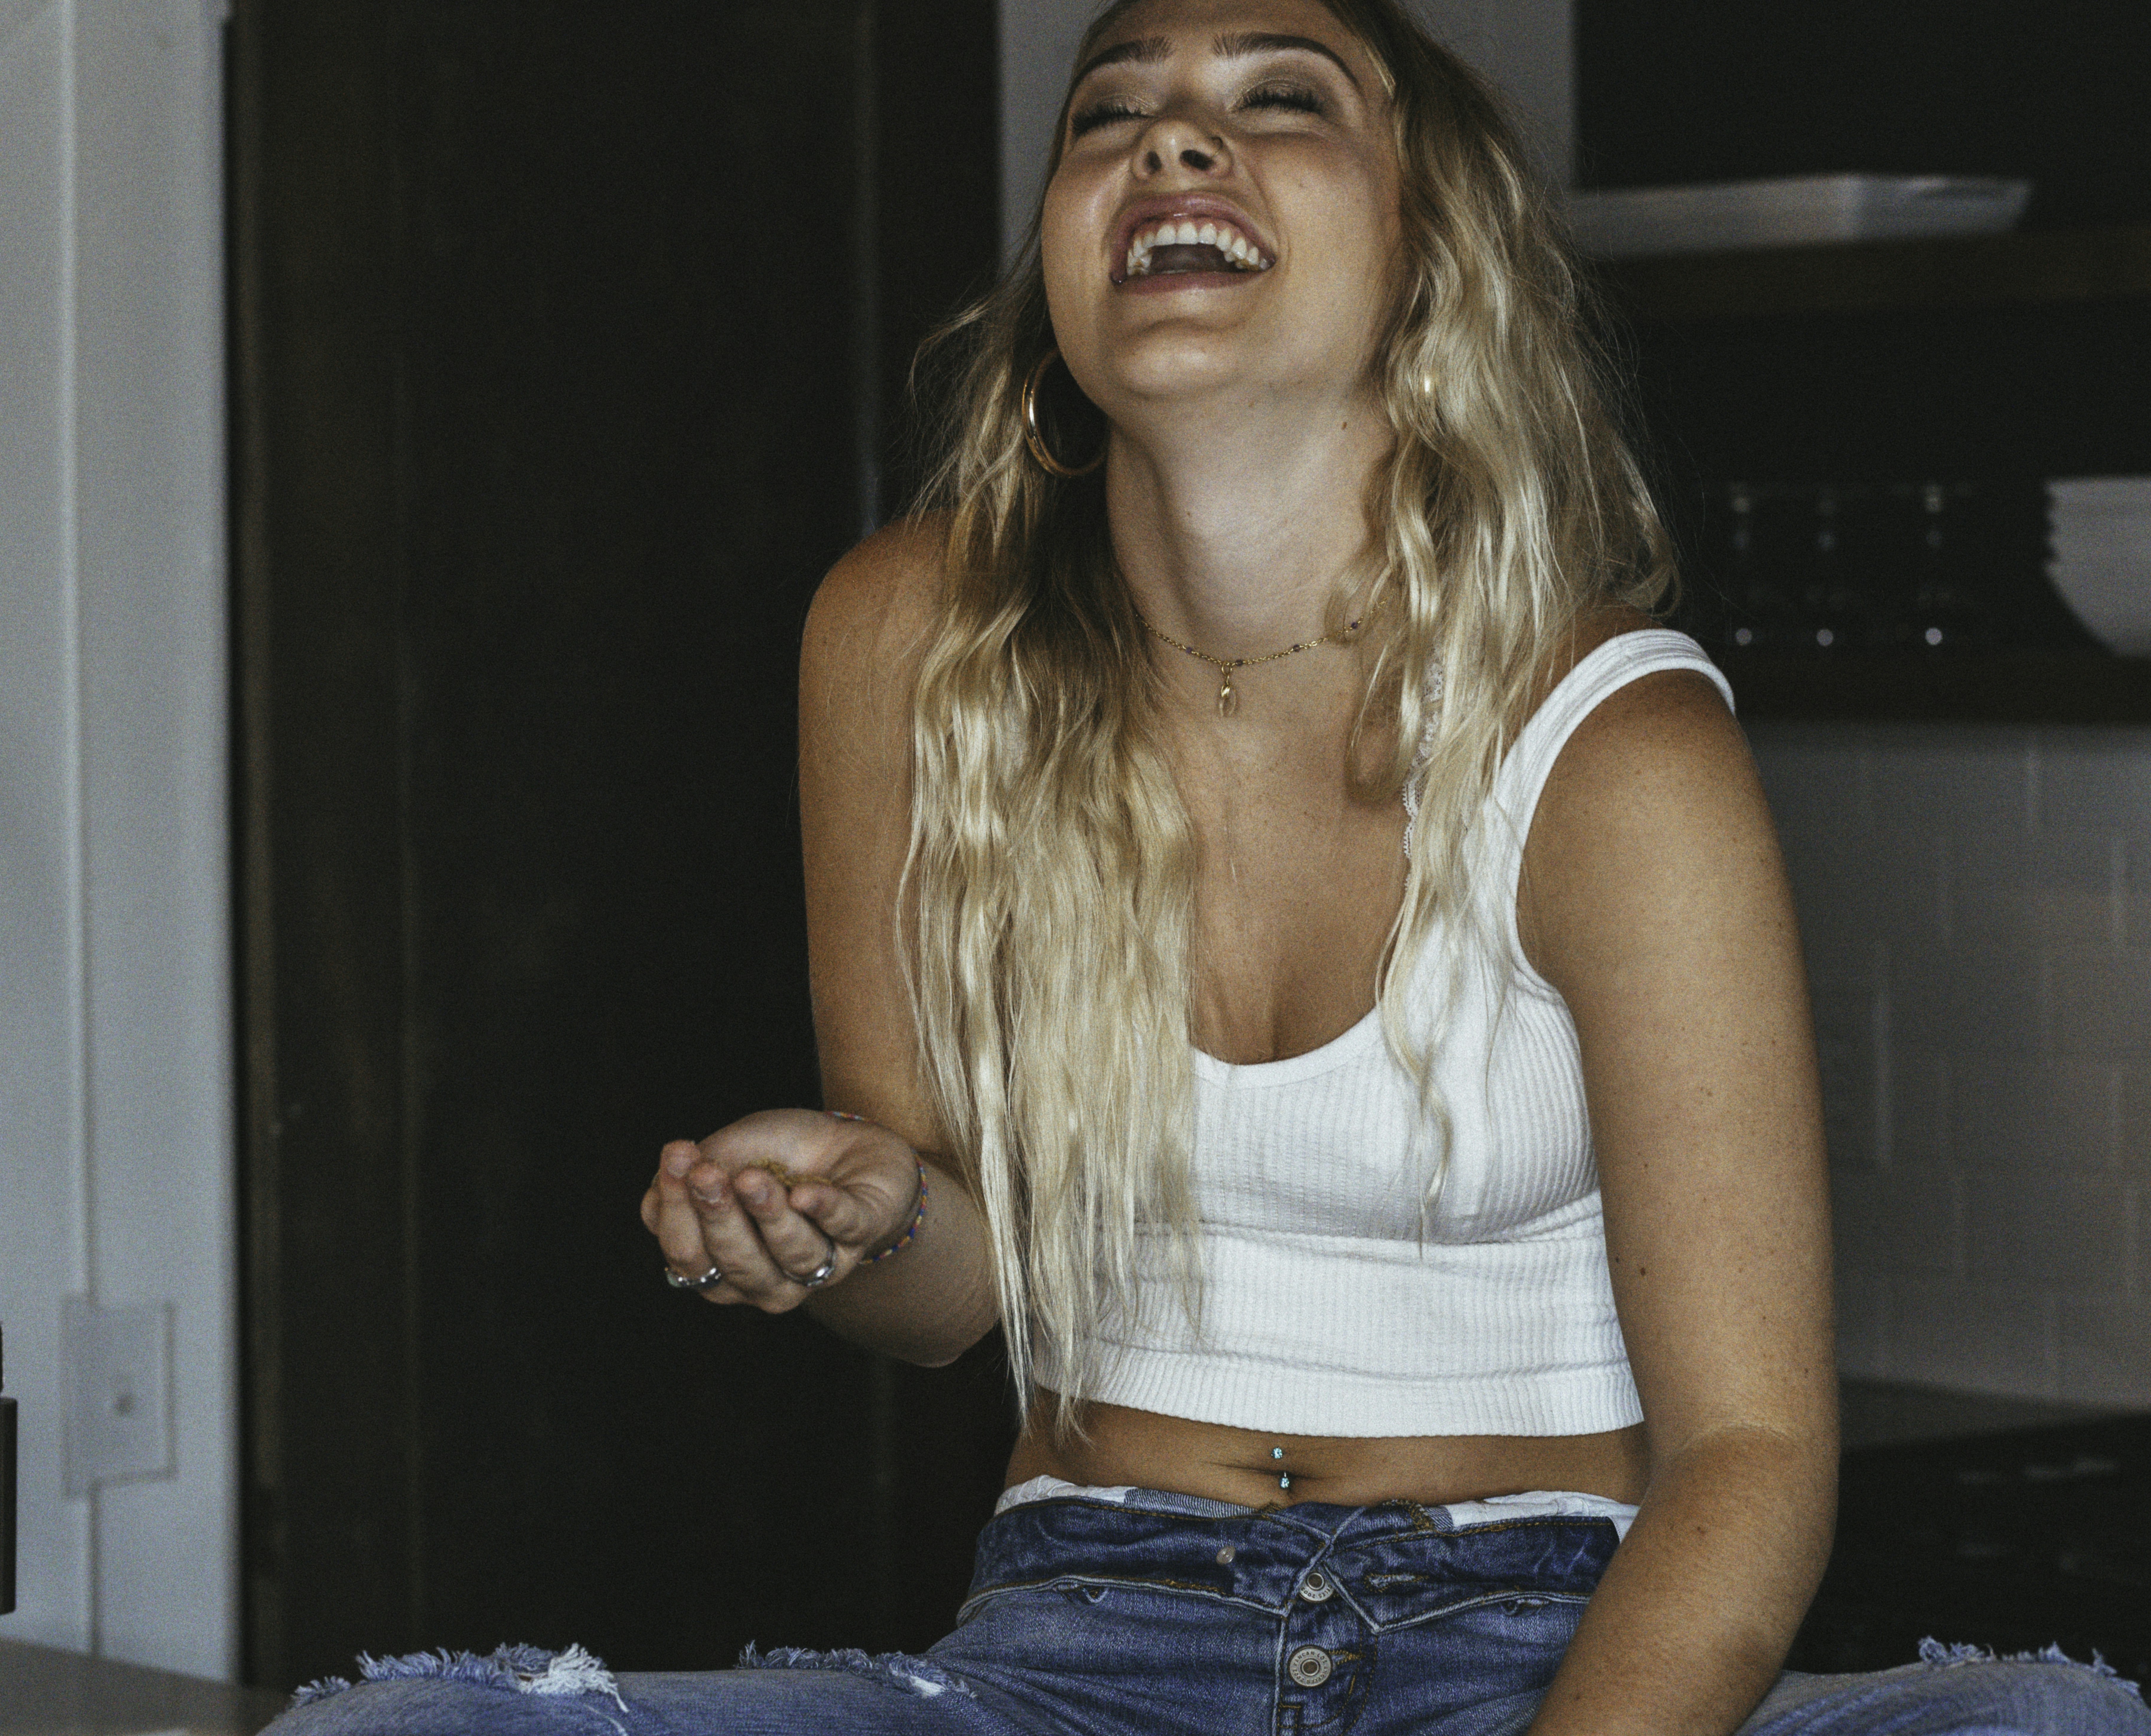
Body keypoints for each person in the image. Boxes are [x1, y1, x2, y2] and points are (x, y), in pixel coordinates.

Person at [267, 1, 2150, 1732]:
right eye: (1116, 111)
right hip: (1089, 1643)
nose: (1177, 143)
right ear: (1063, 262)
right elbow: (948, 1300)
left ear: (1429, 254)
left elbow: (1748, 1450)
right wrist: (858, 1213)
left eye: (1278, 99)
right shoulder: (909, 638)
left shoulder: (1613, 748)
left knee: (2049, 1727)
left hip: (1542, 1645)